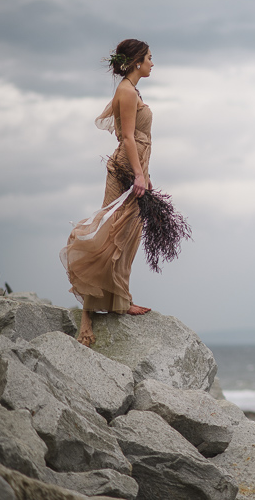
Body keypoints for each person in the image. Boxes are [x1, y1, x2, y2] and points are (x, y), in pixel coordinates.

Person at [61, 39, 155, 347]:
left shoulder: (132, 90)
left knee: (128, 233)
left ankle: (121, 299)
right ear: (137, 62)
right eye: (150, 58)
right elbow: (127, 137)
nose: (153, 63)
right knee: (110, 235)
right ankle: (89, 315)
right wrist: (138, 174)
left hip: (135, 168)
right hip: (126, 170)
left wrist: (146, 173)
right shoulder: (127, 92)